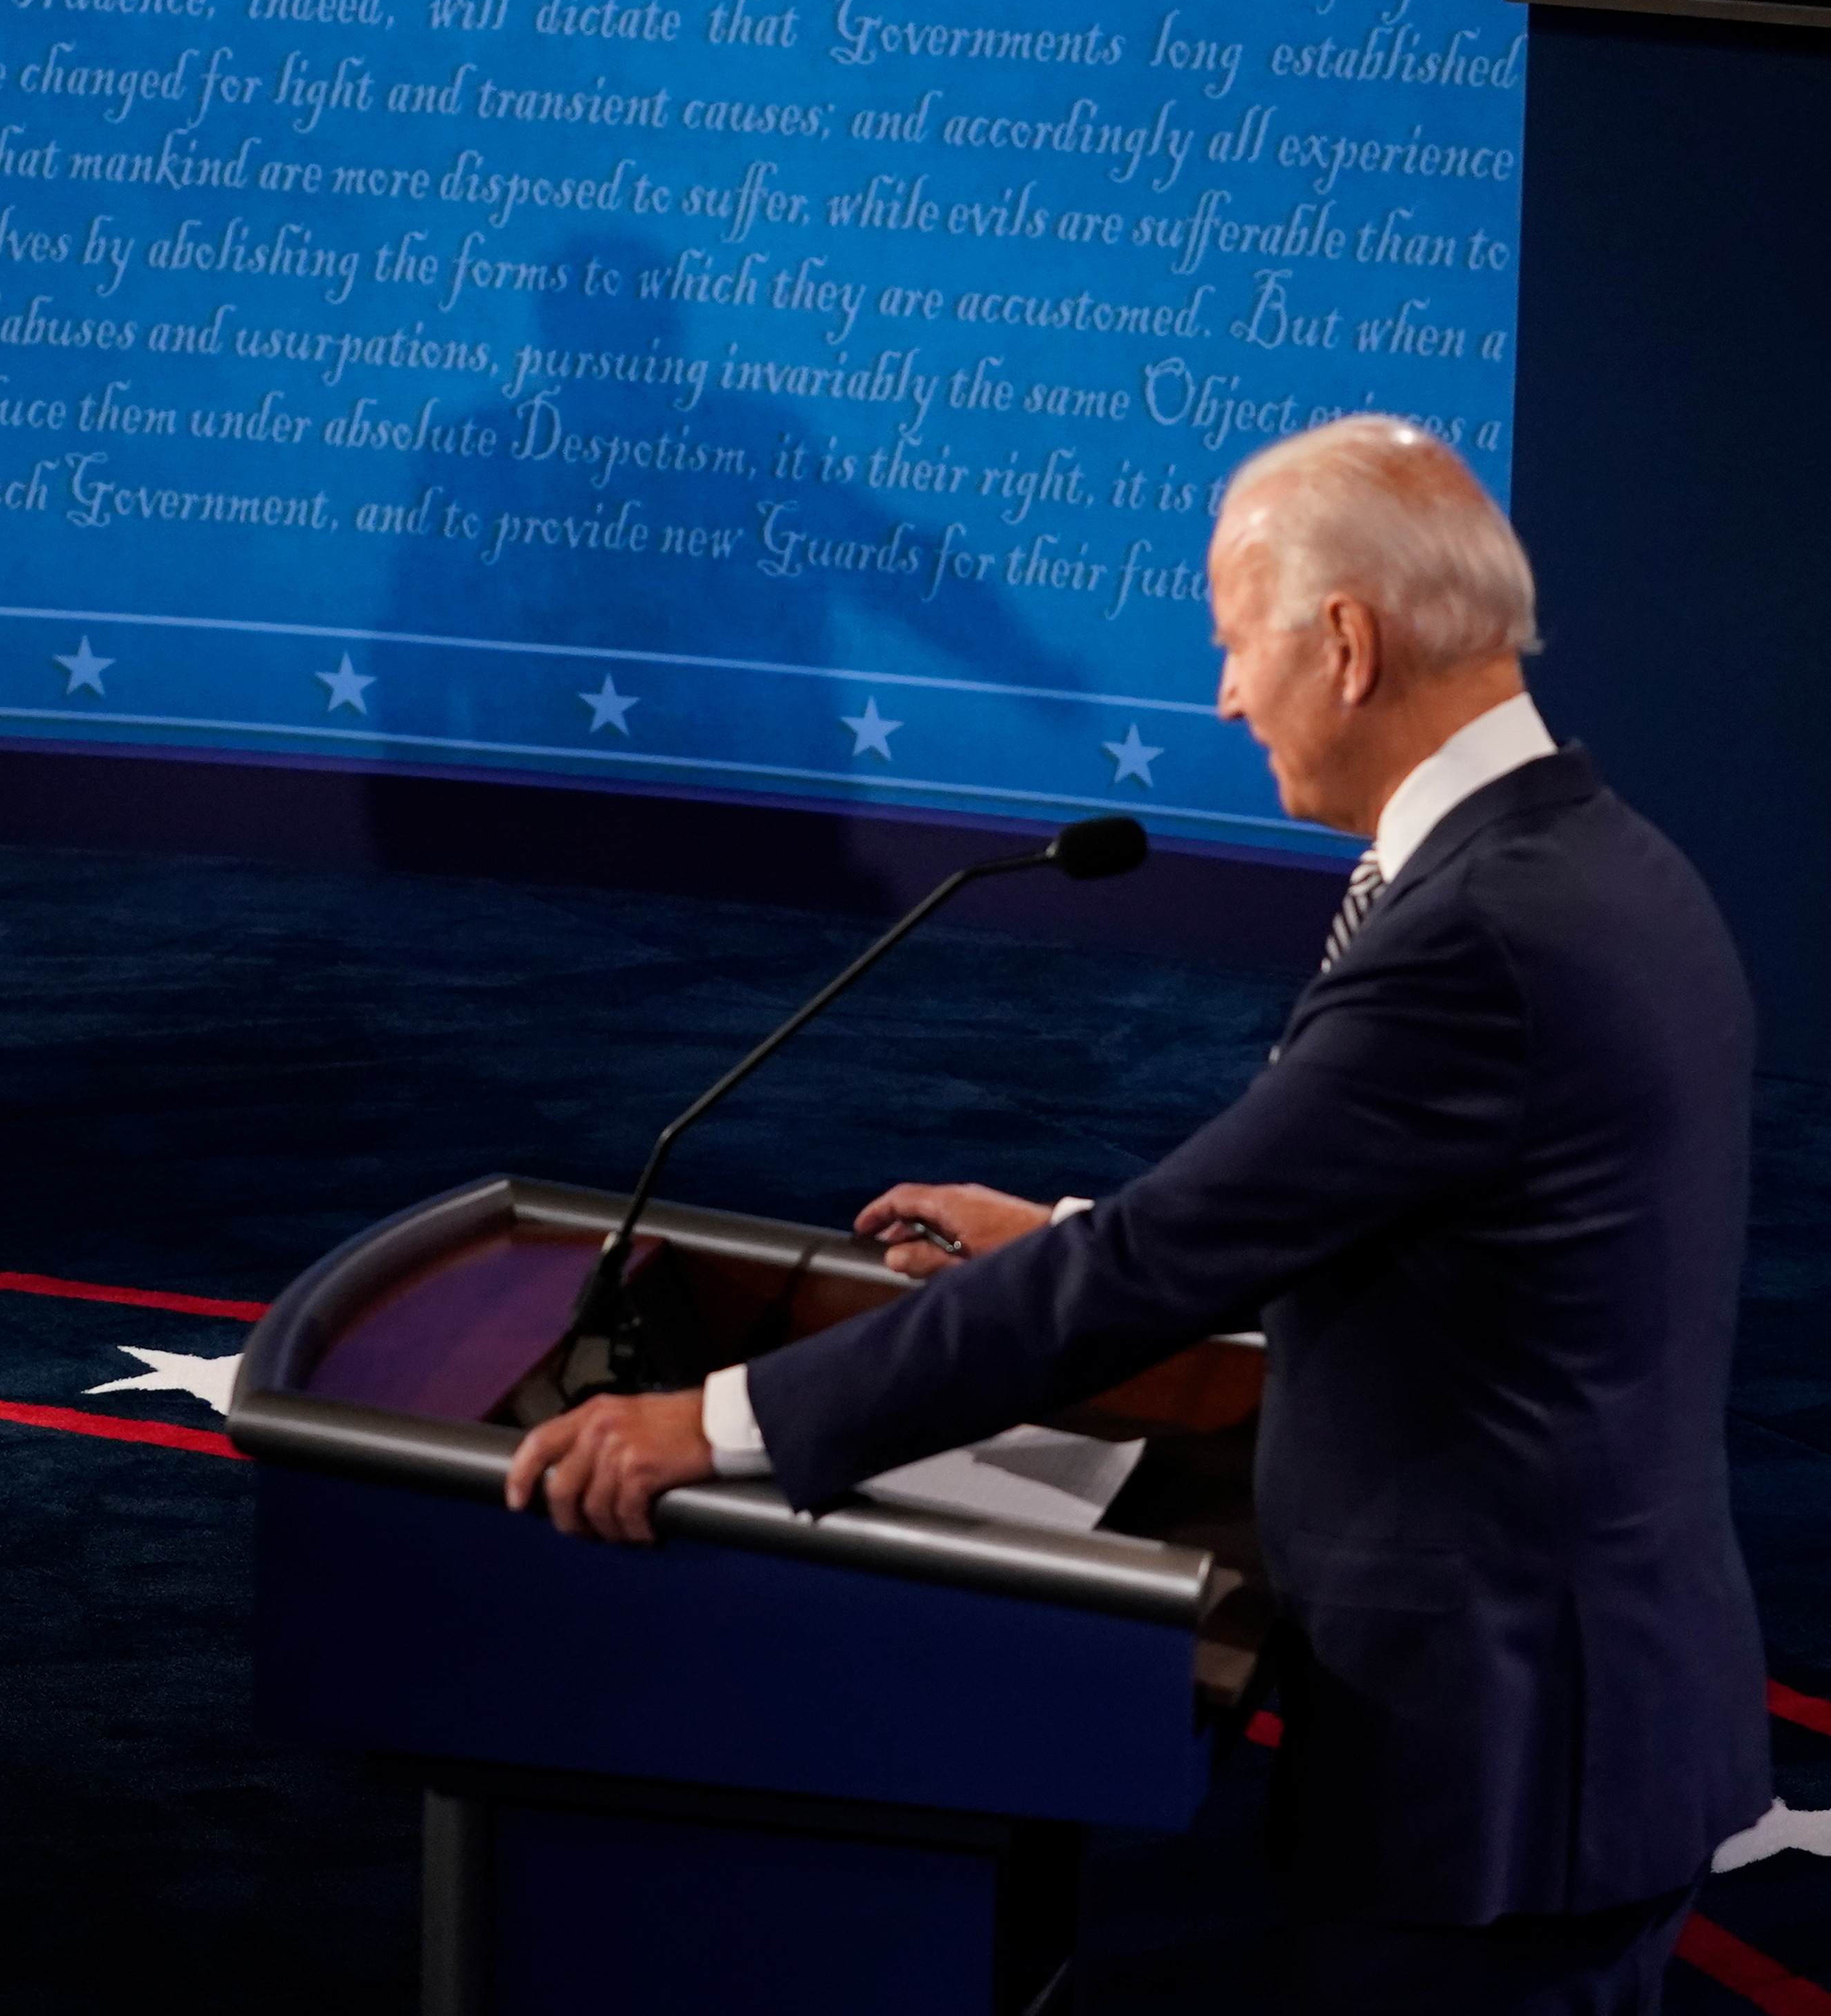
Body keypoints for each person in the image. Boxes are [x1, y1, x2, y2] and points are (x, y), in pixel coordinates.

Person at [504, 415, 1771, 2010]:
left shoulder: (1476, 937)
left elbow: (1160, 1268)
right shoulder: (1607, 860)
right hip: (1589, 1719)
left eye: (1237, 645)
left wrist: (715, 1424)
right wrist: (1062, 1229)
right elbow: (1431, 1229)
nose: (1225, 696)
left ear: (1347, 643)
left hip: (1508, 1766)